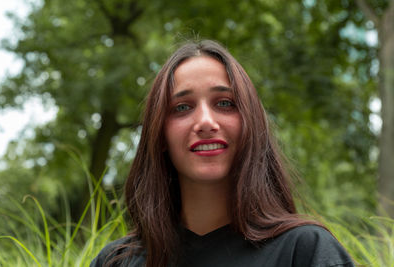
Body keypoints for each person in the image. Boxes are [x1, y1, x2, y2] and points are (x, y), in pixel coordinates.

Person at [90, 40, 354, 267]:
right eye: (182, 107)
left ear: (250, 126)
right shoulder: (116, 262)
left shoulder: (305, 251)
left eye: (225, 103)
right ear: (160, 135)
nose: (206, 121)